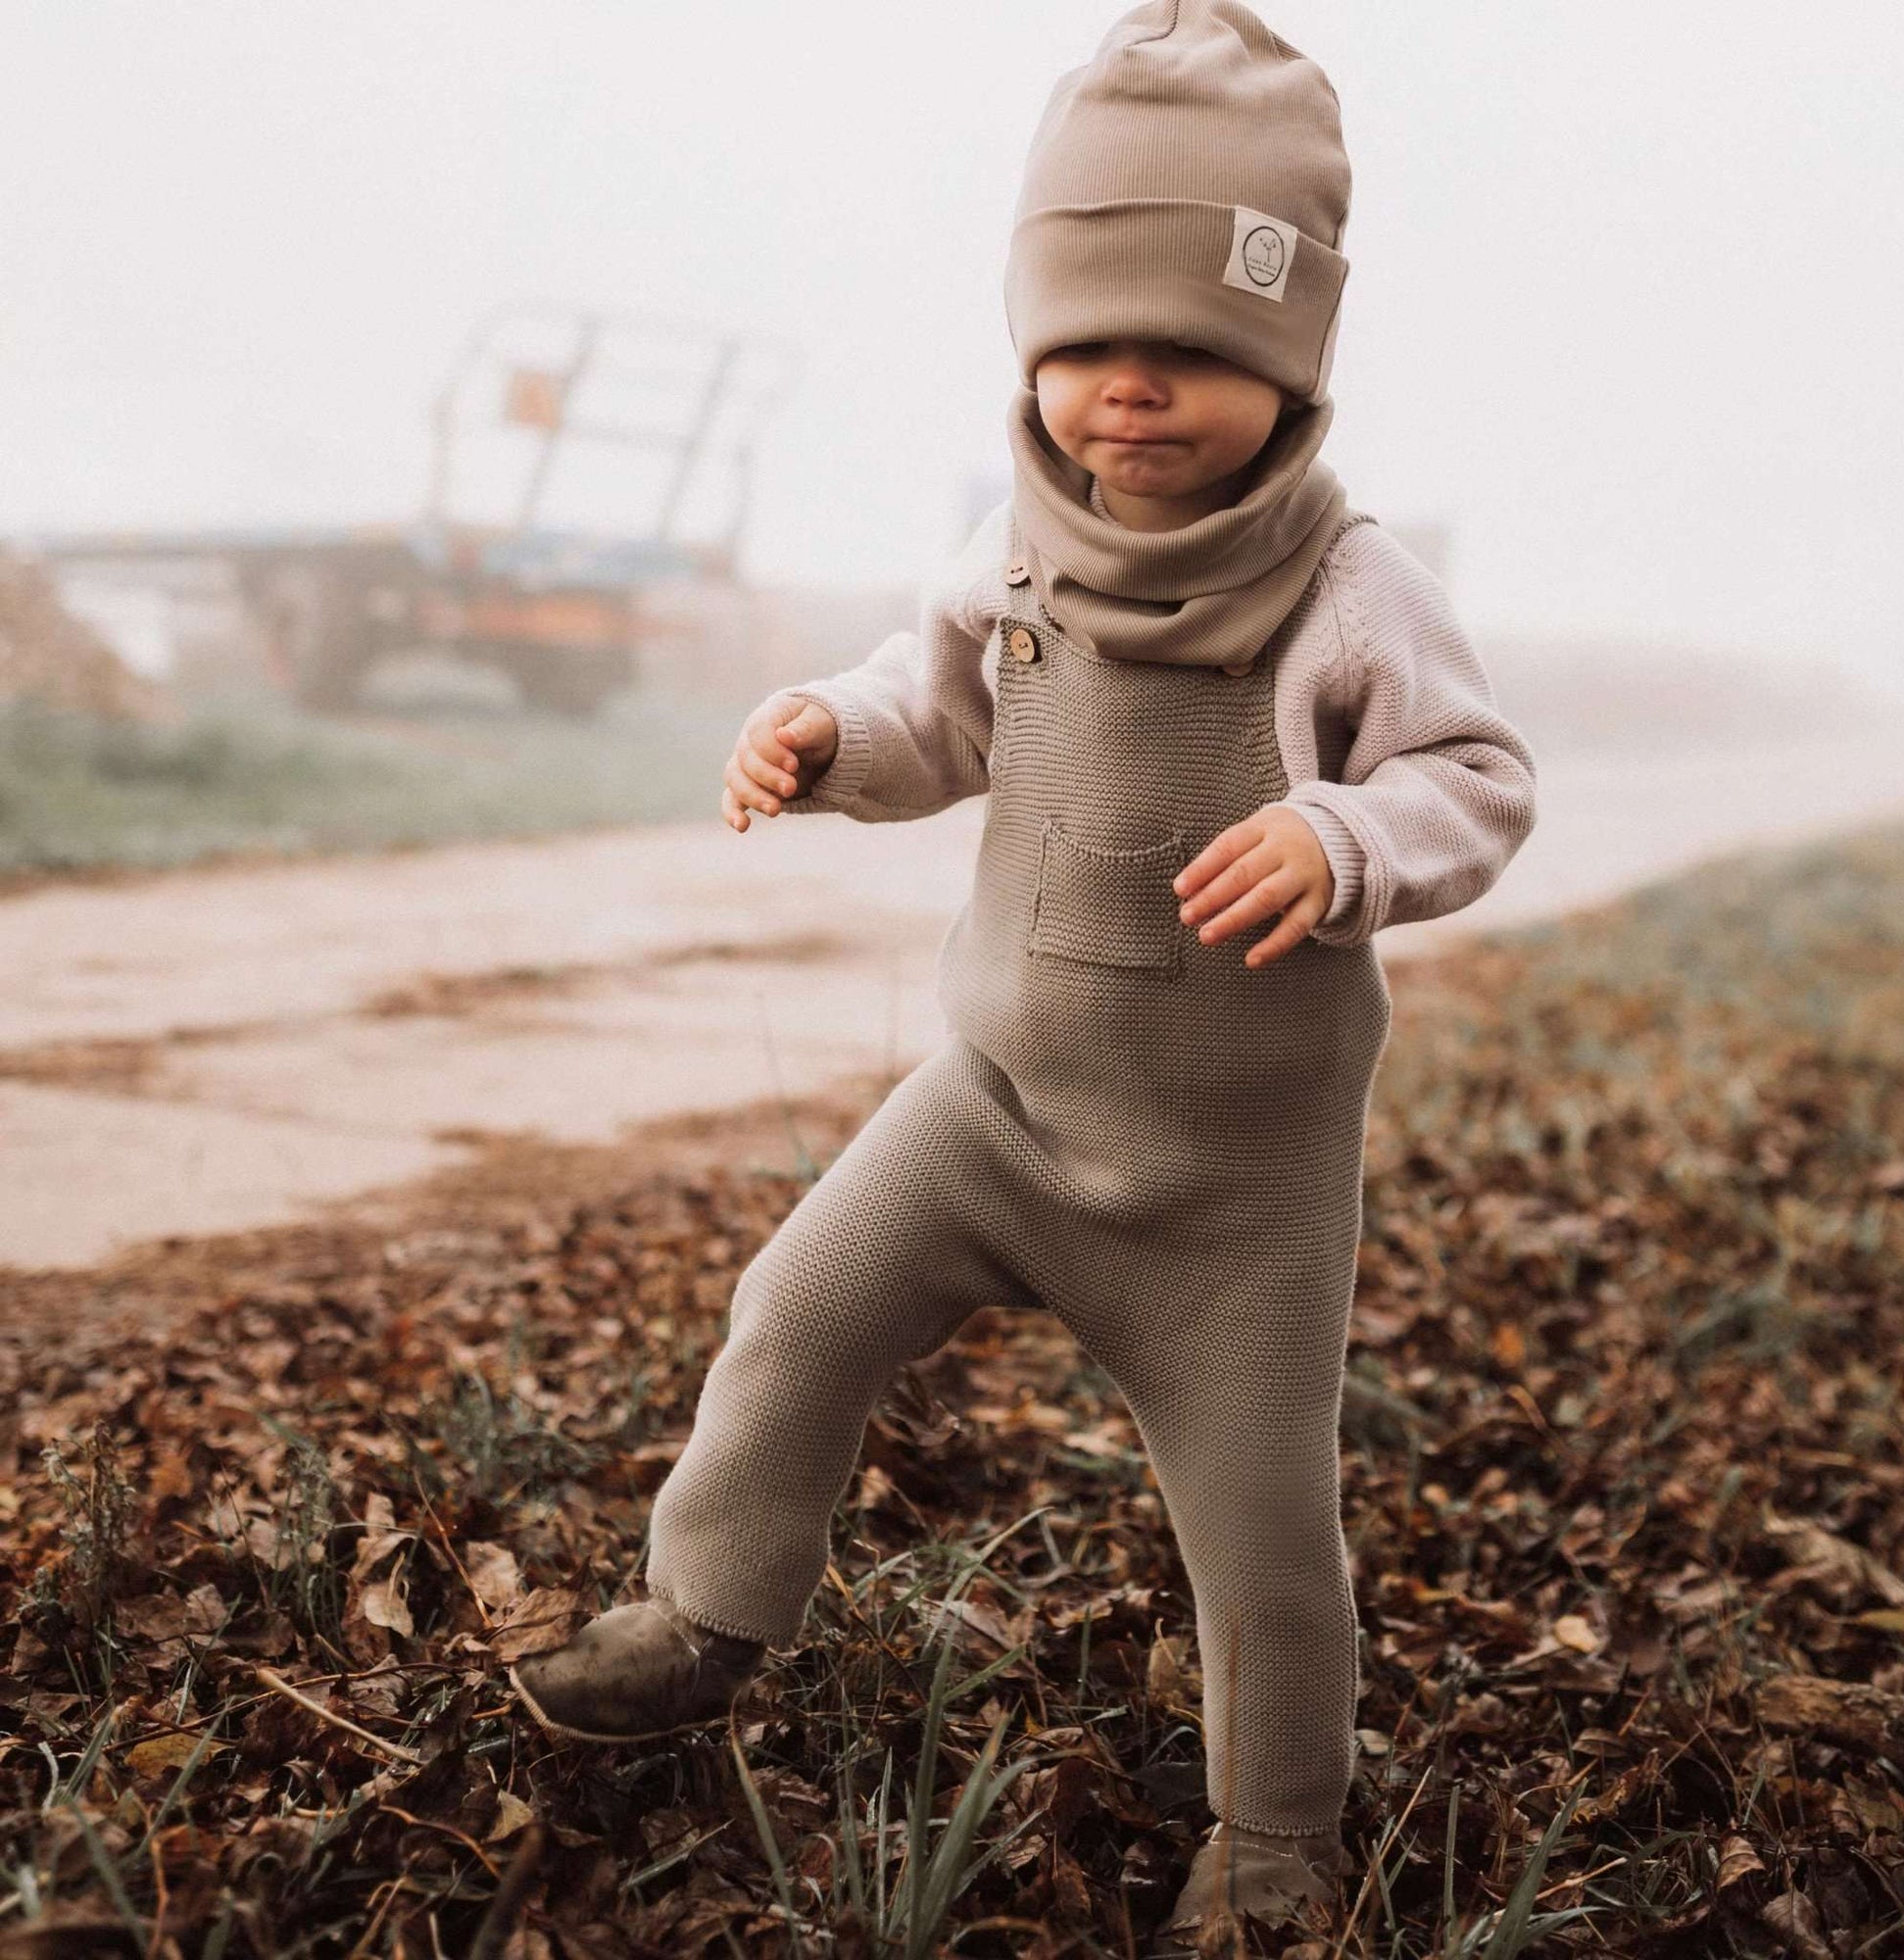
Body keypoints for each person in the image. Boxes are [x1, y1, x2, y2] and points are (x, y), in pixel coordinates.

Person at [512, 0, 1538, 1938]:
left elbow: (1476, 782)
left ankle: (1275, 1846)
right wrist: (825, 741)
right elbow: (939, 721)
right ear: (1026, 347)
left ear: (1287, 360)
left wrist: (1342, 836)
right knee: (793, 1309)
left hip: (1227, 1197)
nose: (1125, 393)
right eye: (1081, 346)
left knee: (1260, 1544)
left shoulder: (1348, 587)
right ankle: (701, 1609)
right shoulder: (1012, 560)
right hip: (988, 1113)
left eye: (1186, 352)